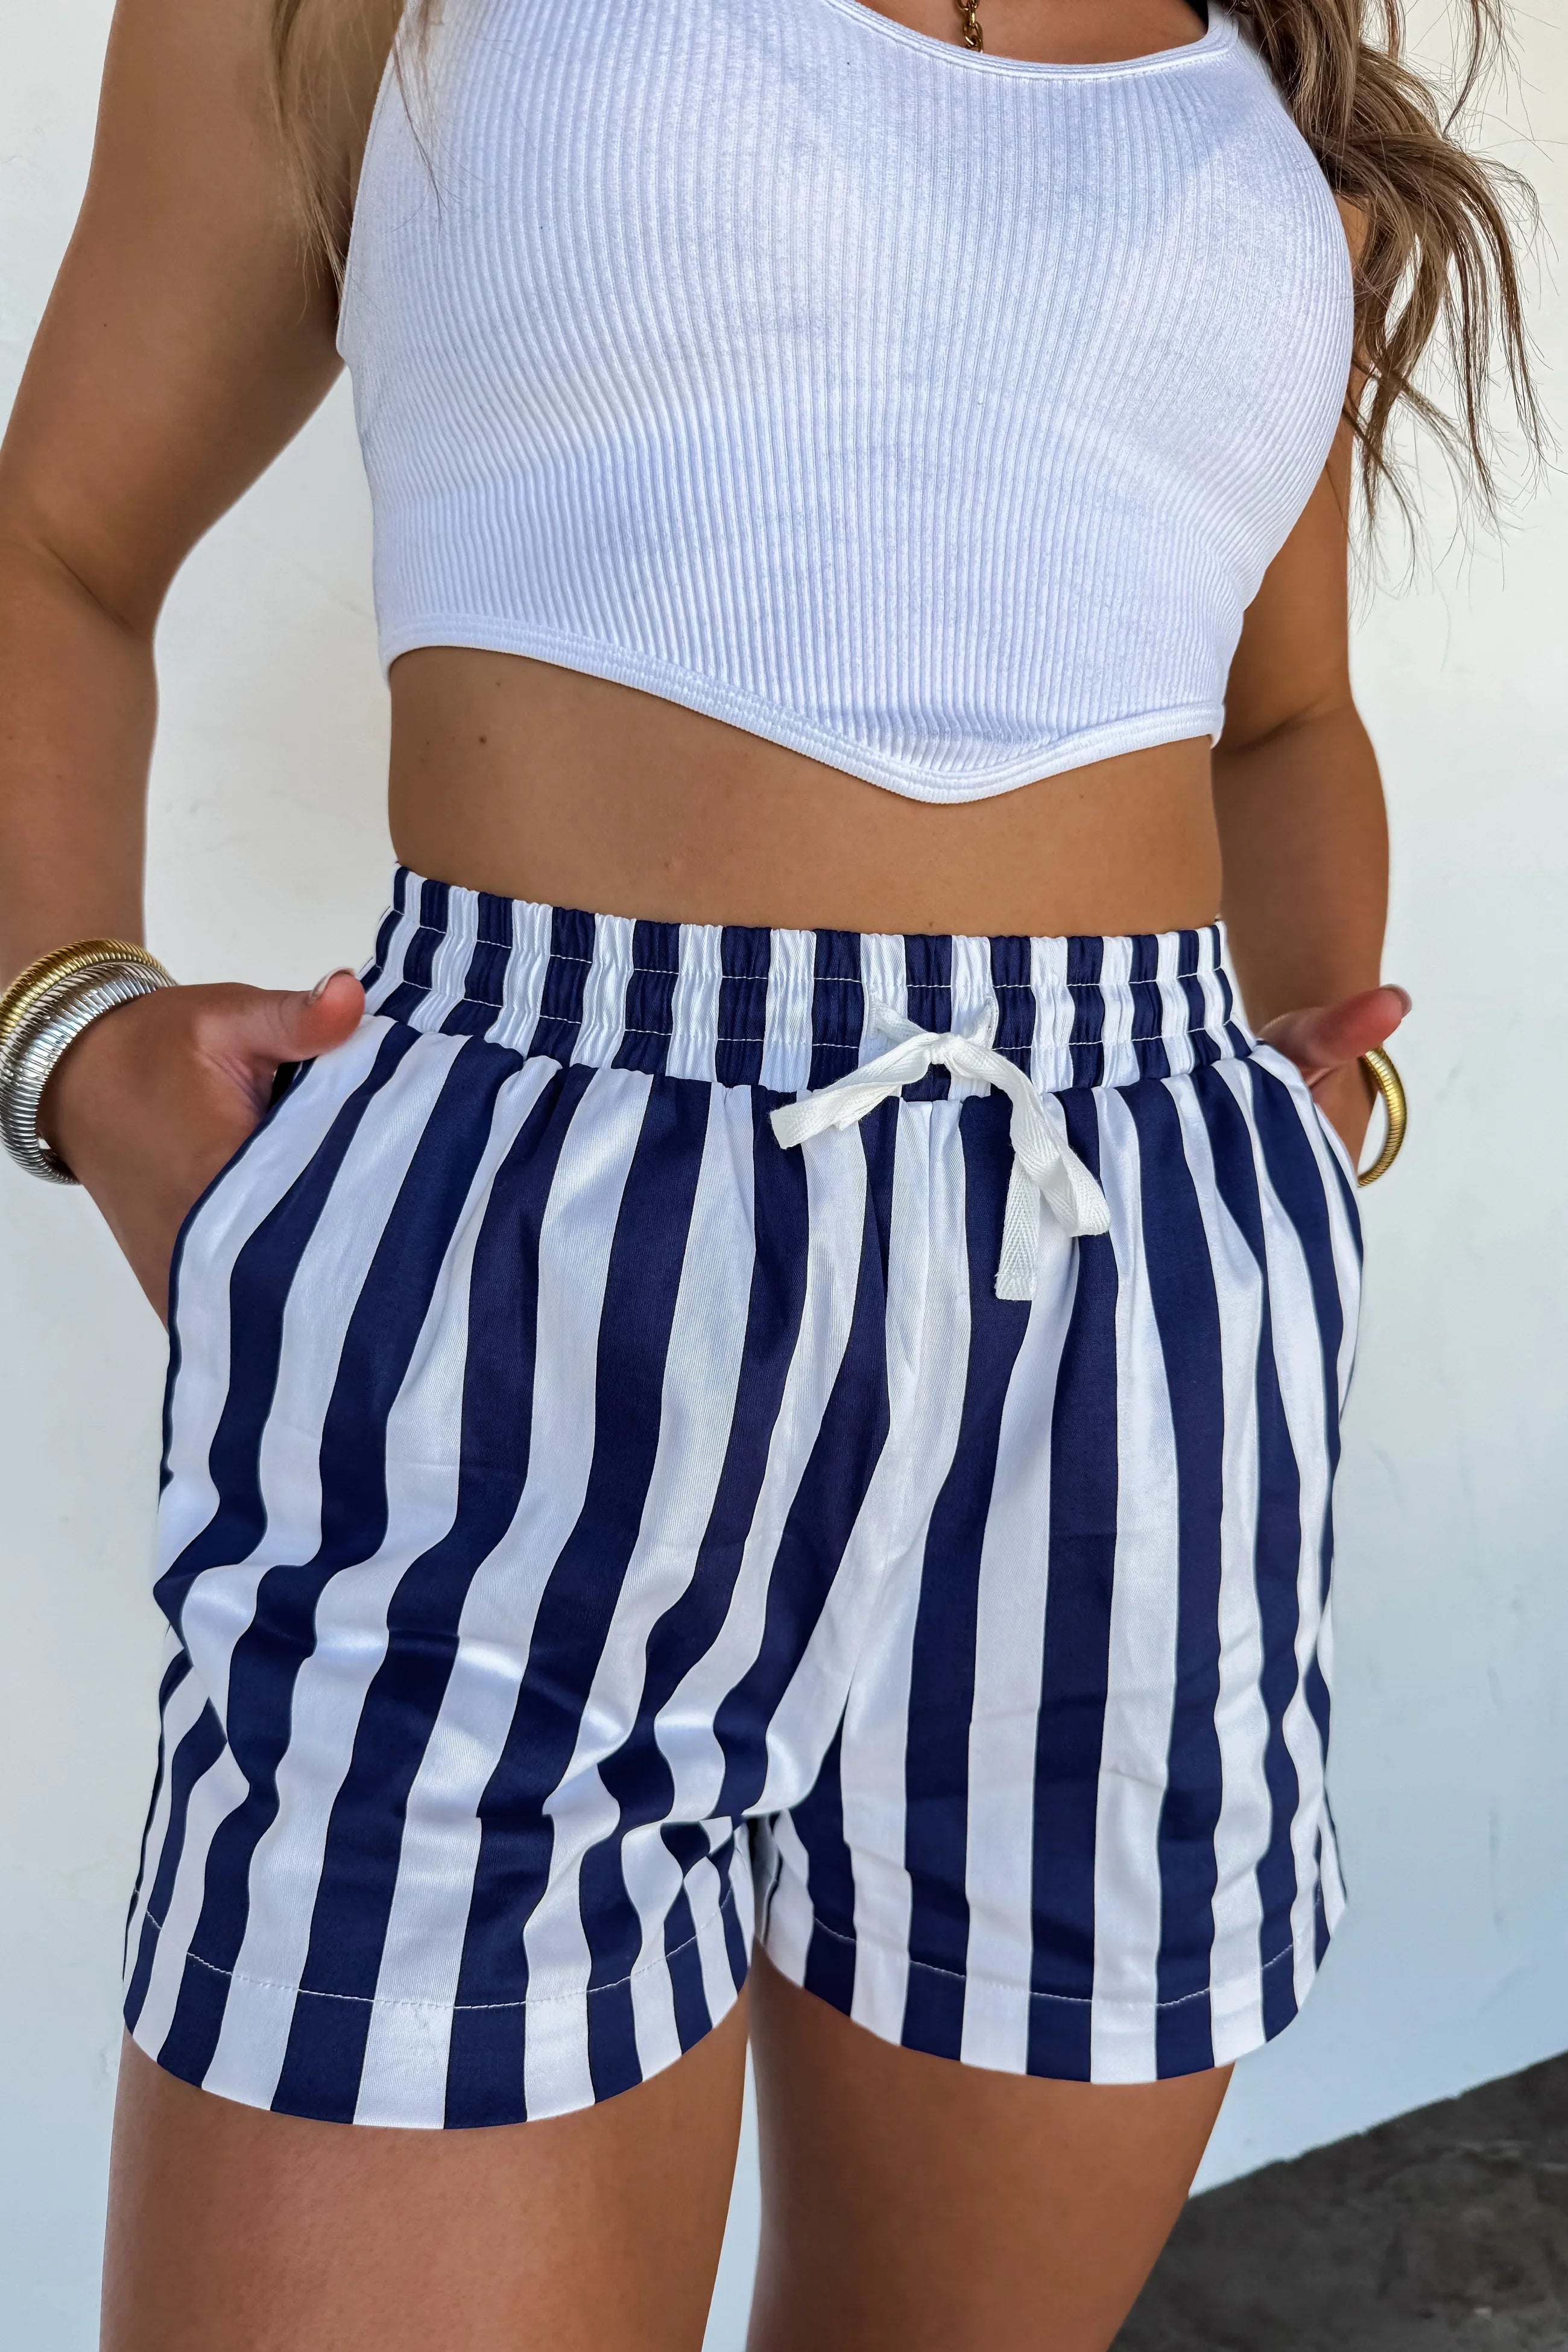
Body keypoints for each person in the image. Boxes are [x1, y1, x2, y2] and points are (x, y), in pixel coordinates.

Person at [0, 0, 1537, 2344]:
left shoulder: (1260, 94)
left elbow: (1281, 714)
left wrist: (1305, 1119)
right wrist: (65, 1035)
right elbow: (57, 540)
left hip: (1128, 1346)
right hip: (524, 1303)